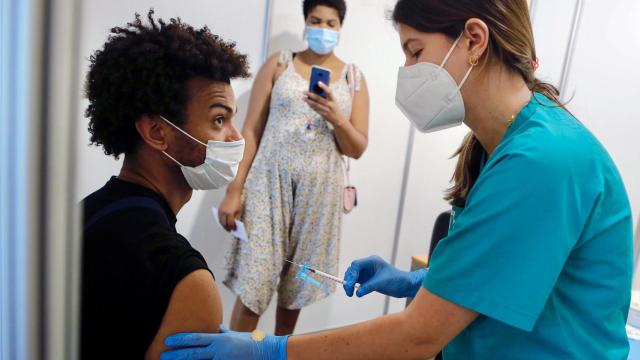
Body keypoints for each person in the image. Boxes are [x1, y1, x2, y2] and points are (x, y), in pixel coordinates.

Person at [160, 0, 633, 359]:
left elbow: (418, 335)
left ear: (473, 39)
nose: (406, 71)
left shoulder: (542, 159)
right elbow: (523, 262)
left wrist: (268, 350)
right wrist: (425, 280)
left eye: (414, 51)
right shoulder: (513, 145)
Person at [80, 10, 250, 359]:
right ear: (157, 132)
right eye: (219, 120)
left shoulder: (87, 212)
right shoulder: (187, 281)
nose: (235, 137)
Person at [218, 0, 370, 336]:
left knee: (298, 285)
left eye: (331, 23)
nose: (323, 29)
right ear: (305, 21)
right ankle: (231, 354)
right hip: (267, 185)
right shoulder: (279, 63)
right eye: (316, 20)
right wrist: (234, 190)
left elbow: (357, 147)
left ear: (341, 27)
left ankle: (279, 352)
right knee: (254, 283)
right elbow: (251, 130)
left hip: (321, 194)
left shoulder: (353, 78)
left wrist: (335, 116)